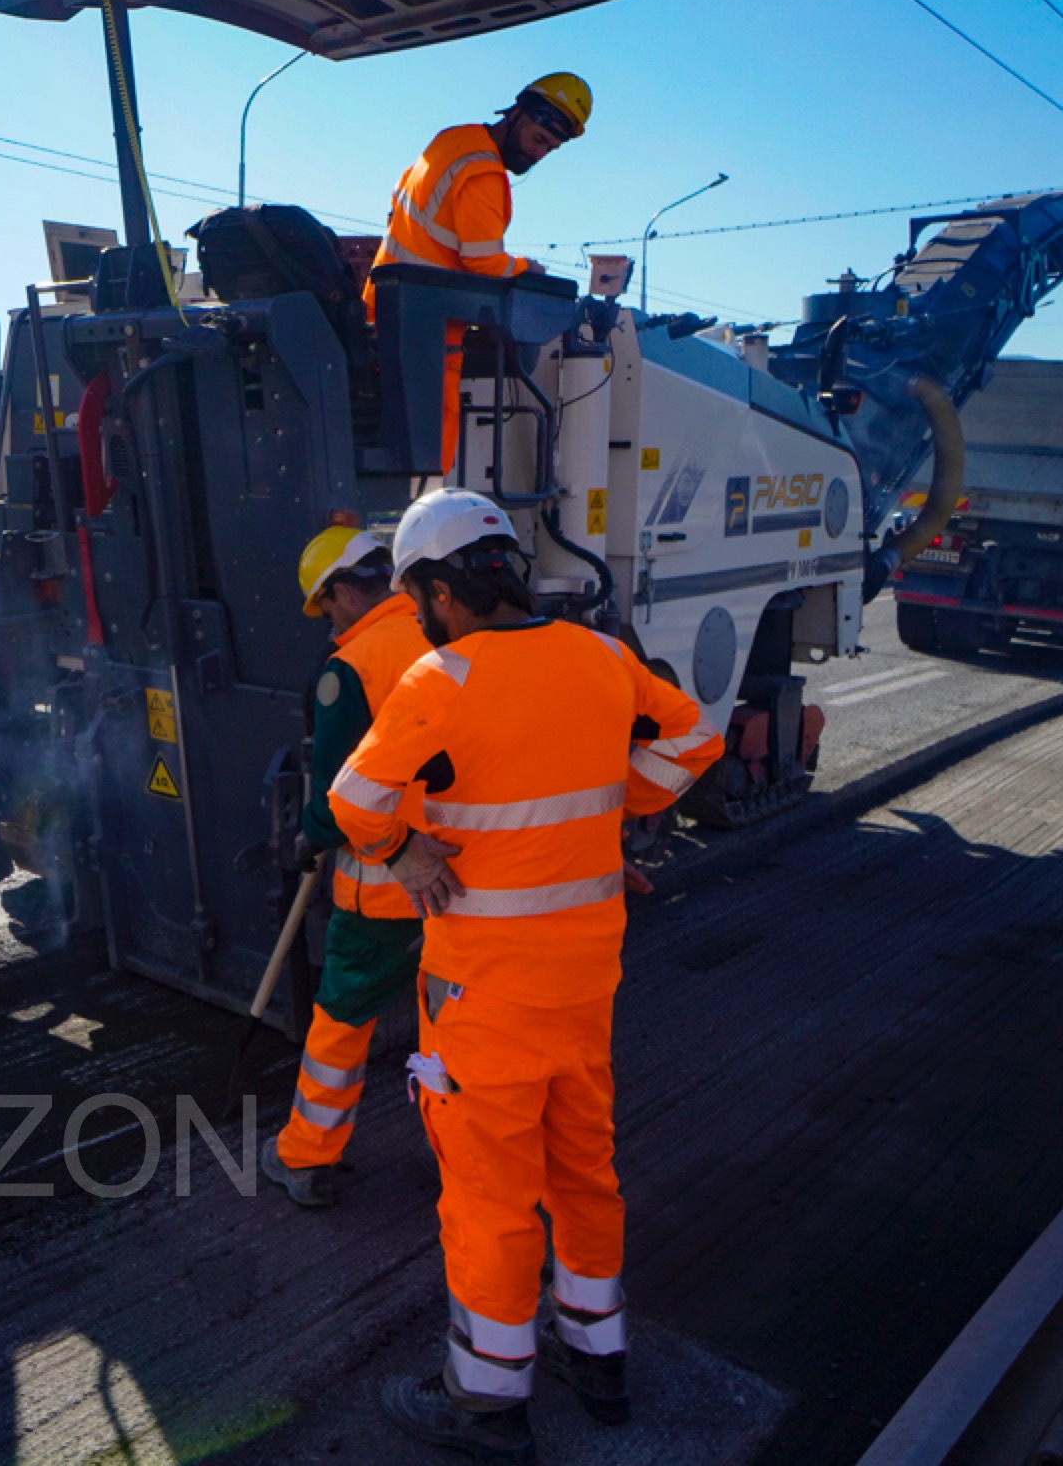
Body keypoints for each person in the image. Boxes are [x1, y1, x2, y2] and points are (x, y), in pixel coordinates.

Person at [323, 489, 722, 1460]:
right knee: (585, 1171)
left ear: (441, 589)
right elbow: (695, 741)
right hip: (584, 989)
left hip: (482, 996)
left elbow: (355, 799)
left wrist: (406, 855)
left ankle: (487, 1400)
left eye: (421, 593)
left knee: (492, 1197)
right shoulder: (599, 656)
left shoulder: (439, 678)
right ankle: (600, 1358)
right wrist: (610, 810)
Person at [258, 525, 431, 1209]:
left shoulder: (351, 668)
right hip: (460, 876)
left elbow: (339, 788)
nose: (326, 623)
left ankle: (305, 1158)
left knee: (341, 1020)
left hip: (383, 889)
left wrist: (309, 837)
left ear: (341, 590)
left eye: (325, 606)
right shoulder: (441, 634)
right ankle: (475, 1161)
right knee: (451, 1020)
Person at [368, 73, 592, 477]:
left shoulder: (453, 141)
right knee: (425, 463)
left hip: (386, 313)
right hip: (428, 331)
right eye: (539, 139)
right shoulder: (484, 172)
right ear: (518, 112)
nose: (539, 154)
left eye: (550, 148)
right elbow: (484, 263)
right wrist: (530, 269)